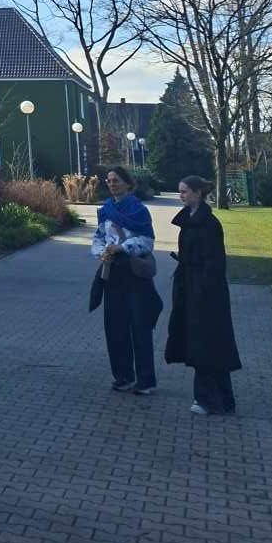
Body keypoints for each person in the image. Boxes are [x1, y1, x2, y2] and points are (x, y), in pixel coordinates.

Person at [165, 176, 242, 415]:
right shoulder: (190, 220)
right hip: (191, 288)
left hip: (206, 293)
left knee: (206, 345)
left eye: (185, 191)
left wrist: (202, 289)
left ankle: (209, 399)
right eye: (180, 192)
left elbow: (214, 263)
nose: (181, 196)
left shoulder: (209, 224)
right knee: (205, 345)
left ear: (198, 193)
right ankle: (220, 399)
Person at [90, 165, 162, 396]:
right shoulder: (106, 209)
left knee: (139, 327)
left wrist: (122, 247)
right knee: (115, 326)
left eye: (116, 180)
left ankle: (146, 380)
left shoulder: (138, 210)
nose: (112, 184)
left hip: (134, 273)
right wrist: (101, 251)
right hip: (113, 273)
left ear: (128, 184)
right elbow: (99, 236)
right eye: (109, 180)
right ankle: (123, 376)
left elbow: (147, 240)